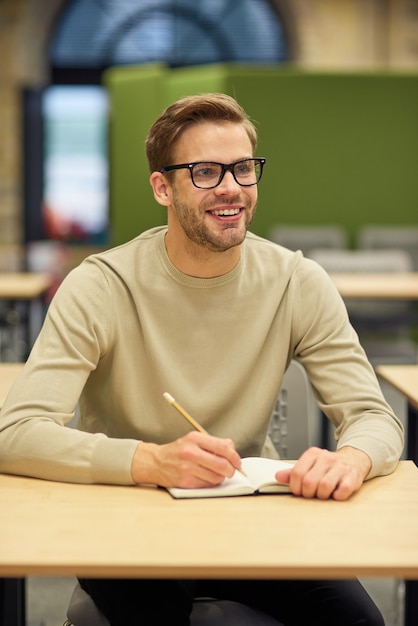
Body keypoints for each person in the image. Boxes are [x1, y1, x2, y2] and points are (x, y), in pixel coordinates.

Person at [0, 93, 403, 626]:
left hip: (249, 509)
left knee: (359, 622)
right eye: (207, 172)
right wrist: (149, 461)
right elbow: (16, 432)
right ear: (163, 187)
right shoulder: (101, 285)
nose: (232, 187)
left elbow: (374, 418)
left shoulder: (296, 281)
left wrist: (349, 459)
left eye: (242, 169)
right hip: (127, 511)